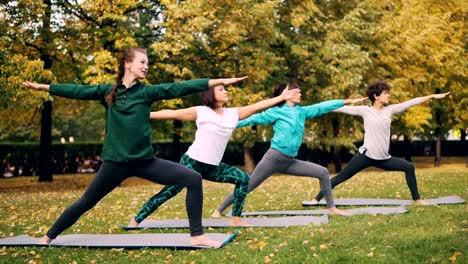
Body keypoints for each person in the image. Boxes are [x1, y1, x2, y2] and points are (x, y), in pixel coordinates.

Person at [22, 47, 248, 247]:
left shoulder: (146, 92)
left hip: (144, 162)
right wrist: (45, 87)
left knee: (193, 178)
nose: (146, 66)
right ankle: (48, 237)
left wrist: (216, 81)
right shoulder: (108, 91)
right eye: (142, 62)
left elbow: (179, 87)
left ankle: (197, 235)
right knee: (85, 203)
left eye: (147, 63)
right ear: (127, 64)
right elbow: (77, 90)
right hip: (114, 164)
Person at [128, 83, 301, 227]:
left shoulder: (233, 114)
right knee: (169, 192)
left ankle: (236, 218)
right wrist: (144, 115)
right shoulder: (201, 111)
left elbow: (258, 106)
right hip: (192, 163)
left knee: (243, 179)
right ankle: (136, 219)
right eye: (220, 89)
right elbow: (172, 113)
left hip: (212, 166)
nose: (226, 91)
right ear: (210, 94)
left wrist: (281, 98)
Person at [215, 82, 368, 216]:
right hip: (273, 158)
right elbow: (253, 119)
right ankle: (218, 210)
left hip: (290, 161)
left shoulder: (302, 112)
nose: (300, 93)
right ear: (286, 94)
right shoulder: (276, 112)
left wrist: (346, 101)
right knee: (248, 186)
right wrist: (228, 124)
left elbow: (322, 106)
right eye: (296, 91)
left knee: (322, 172)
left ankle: (331, 208)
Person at [310, 80, 450, 206]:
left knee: (409, 167)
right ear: (376, 96)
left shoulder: (390, 110)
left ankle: (417, 200)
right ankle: (316, 199)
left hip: (384, 159)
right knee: (341, 177)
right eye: (385, 93)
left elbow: (412, 102)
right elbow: (338, 107)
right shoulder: (365, 110)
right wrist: (317, 107)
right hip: (365, 156)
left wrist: (431, 96)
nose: (388, 96)